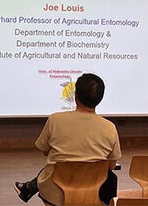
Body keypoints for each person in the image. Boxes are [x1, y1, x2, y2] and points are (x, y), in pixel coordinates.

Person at [13, 73, 122, 206]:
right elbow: (110, 165)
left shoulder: (55, 120)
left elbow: (45, 151)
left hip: (56, 194)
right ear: (101, 98)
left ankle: (28, 189)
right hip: (93, 193)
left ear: (75, 96)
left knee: (51, 167)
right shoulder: (110, 128)